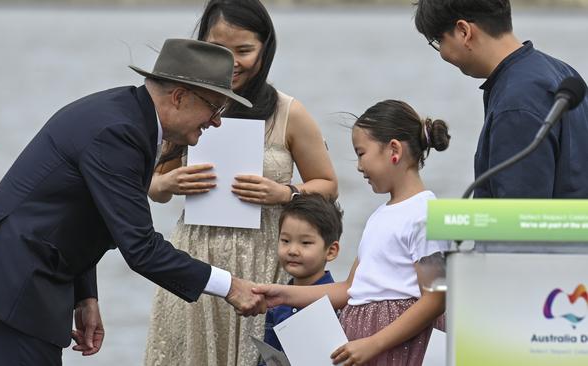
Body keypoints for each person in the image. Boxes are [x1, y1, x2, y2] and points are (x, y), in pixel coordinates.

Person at [0, 38, 267, 366]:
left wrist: (85, 295)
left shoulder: (126, 115)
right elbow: (141, 249)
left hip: (21, 270)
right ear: (180, 97)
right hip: (11, 279)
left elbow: (87, 213)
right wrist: (230, 286)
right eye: (215, 107)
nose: (217, 121)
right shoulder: (118, 133)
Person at [143, 1, 338, 366]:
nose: (230, 62)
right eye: (219, 50)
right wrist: (170, 181)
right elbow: (152, 186)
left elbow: (328, 185)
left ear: (266, 50)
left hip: (266, 256)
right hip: (196, 252)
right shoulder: (183, 103)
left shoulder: (287, 112)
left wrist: (285, 193)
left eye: (244, 51)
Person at [254, 100, 450, 366]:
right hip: (365, 343)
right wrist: (281, 294)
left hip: (394, 347)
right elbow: (351, 289)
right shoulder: (381, 214)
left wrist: (374, 343)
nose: (358, 166)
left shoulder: (426, 214)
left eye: (361, 153)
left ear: (393, 150)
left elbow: (436, 299)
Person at [414, 0, 588, 198]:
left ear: (464, 31)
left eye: (439, 41)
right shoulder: (563, 72)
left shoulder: (516, 102)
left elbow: (518, 219)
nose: (442, 53)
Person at [261, 193, 341, 358]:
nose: (292, 251)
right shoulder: (276, 302)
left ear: (331, 251)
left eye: (305, 243)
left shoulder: (336, 304)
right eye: (285, 240)